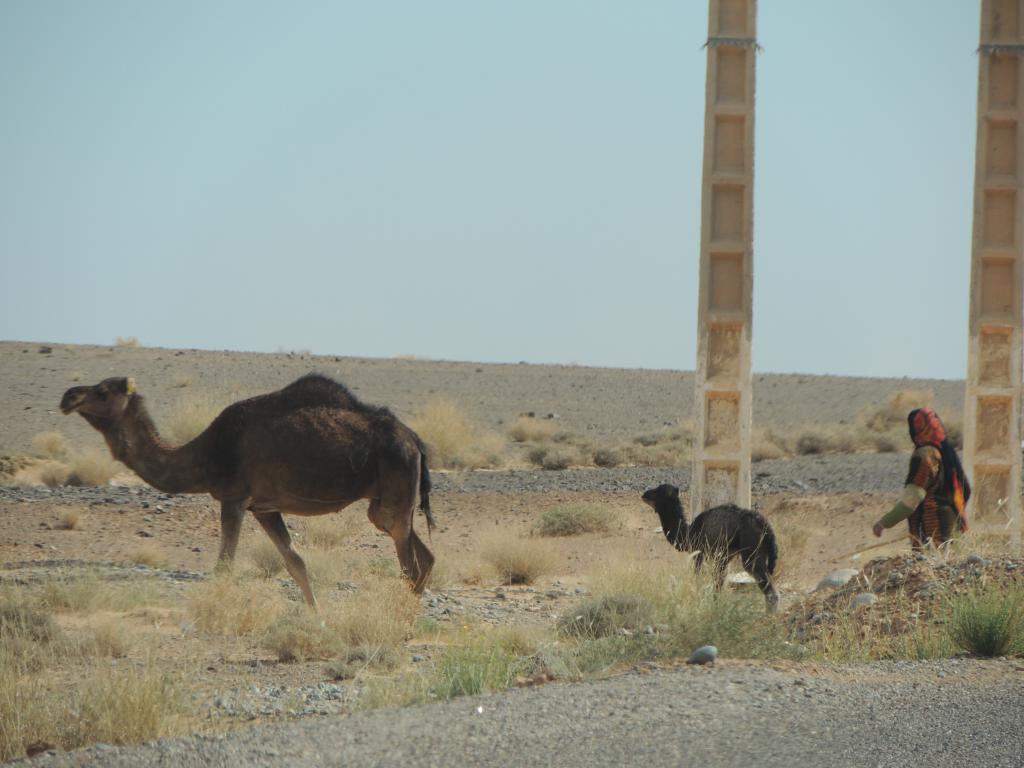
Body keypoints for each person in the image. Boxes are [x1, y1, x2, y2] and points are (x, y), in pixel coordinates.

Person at [872, 407, 970, 549]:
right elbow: (966, 490)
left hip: (932, 534)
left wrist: (883, 523)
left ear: (916, 429)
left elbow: (911, 501)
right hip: (955, 530)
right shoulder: (947, 452)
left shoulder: (924, 456)